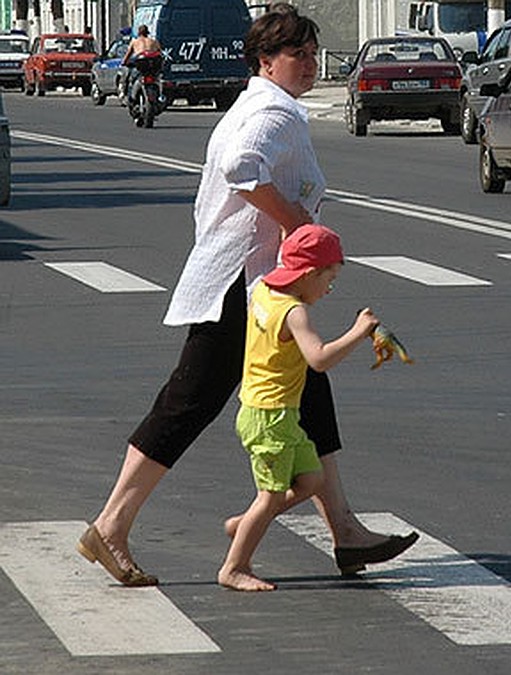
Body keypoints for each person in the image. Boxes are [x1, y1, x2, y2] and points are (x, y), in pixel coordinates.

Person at [77, 3, 418, 588]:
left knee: (309, 391)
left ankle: (344, 531)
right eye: (297, 55)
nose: (309, 64)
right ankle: (111, 525)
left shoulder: (264, 106)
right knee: (190, 401)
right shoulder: (272, 113)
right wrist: (293, 225)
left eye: (313, 53)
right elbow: (240, 166)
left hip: (256, 282)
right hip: (242, 285)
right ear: (266, 61)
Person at [220, 225, 394, 592]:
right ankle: (235, 567)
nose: (329, 289)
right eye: (328, 280)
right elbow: (317, 359)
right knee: (268, 497)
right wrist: (358, 332)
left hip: (271, 412)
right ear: (308, 274)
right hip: (271, 417)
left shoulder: (265, 290)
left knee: (312, 480)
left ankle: (248, 522)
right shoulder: (294, 312)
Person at [121, 25, 161, 104]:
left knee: (130, 78)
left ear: (139, 33)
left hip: (141, 66)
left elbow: (127, 55)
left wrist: (124, 63)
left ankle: (128, 96)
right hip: (153, 66)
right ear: (147, 33)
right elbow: (160, 52)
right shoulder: (153, 41)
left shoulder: (135, 42)